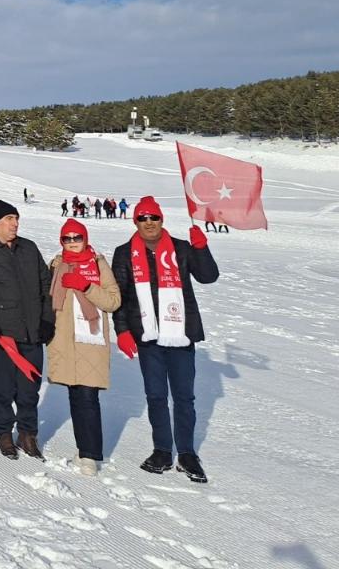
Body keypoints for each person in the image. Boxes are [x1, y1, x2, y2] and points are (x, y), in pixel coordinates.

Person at [111, 196, 219, 483]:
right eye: (143, 218)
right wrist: (121, 330)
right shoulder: (124, 254)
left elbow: (208, 276)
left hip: (181, 334)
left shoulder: (182, 249)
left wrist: (201, 248)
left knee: (184, 397)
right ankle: (162, 450)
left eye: (153, 217)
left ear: (162, 220)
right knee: (156, 396)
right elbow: (120, 296)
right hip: (148, 336)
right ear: (135, 222)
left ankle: (186, 453)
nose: (149, 223)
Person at [0, 200, 54, 461]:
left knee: (30, 387)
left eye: (16, 218)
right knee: (4, 386)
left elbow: (46, 285)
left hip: (31, 331)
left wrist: (47, 320)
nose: (15, 223)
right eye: (9, 218)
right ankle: (4, 432)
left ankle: (28, 433)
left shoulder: (28, 248)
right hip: (0, 334)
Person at [45, 219, 122, 475]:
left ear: (85, 239)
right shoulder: (56, 264)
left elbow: (113, 301)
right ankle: (83, 449)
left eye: (77, 238)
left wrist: (86, 286)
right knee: (76, 394)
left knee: (88, 396)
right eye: (67, 239)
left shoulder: (98, 263)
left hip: (91, 336)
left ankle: (90, 454)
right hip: (65, 338)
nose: (73, 242)